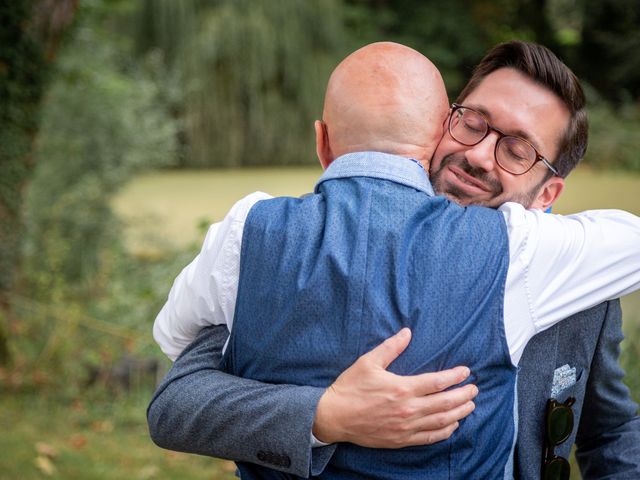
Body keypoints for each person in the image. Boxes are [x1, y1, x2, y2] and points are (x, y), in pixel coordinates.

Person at [149, 41, 640, 478]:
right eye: (473, 124)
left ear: (547, 193)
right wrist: (322, 415)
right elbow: (180, 400)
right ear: (439, 123)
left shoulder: (578, 275)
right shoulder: (288, 243)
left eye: (517, 149)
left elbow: (610, 432)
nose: (480, 156)